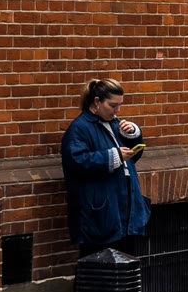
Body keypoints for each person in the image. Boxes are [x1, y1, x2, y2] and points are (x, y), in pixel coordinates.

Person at [61, 76, 149, 257]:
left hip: (123, 209)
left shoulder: (115, 124)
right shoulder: (79, 128)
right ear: (97, 102)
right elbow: (77, 161)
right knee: (98, 263)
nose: (117, 111)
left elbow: (131, 159)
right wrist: (114, 156)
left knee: (125, 260)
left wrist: (133, 135)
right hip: (100, 212)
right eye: (113, 105)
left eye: (120, 105)